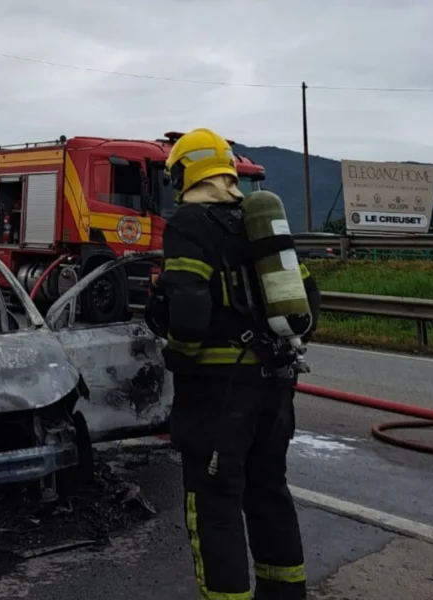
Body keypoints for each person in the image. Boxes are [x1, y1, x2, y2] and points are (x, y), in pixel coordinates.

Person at [146, 128, 320, 600]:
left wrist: (177, 357)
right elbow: (311, 303)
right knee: (269, 496)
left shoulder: (189, 223)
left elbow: (188, 305)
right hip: (276, 385)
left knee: (215, 508)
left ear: (184, 173)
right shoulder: (262, 222)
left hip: (220, 396)